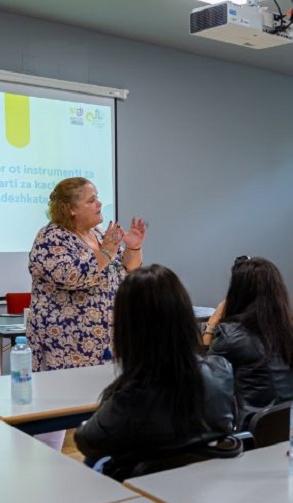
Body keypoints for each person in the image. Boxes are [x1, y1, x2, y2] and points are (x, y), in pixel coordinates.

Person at [74, 265, 236, 480]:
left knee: (95, 462)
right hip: (199, 489)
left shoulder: (132, 396)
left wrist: (87, 424)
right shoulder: (221, 372)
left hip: (141, 497)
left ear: (128, 327)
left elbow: (88, 442)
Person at [25, 177, 146, 450]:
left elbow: (127, 273)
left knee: (101, 413)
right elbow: (74, 277)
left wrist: (134, 247)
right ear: (70, 209)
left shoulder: (101, 235)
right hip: (63, 346)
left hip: (103, 343)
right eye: (91, 200)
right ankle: (42, 473)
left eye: (97, 197)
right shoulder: (52, 238)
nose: (99, 203)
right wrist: (108, 250)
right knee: (54, 417)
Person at [203, 256, 293, 426]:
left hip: (255, 436)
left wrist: (211, 327)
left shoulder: (232, 335)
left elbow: (205, 377)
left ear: (237, 294)